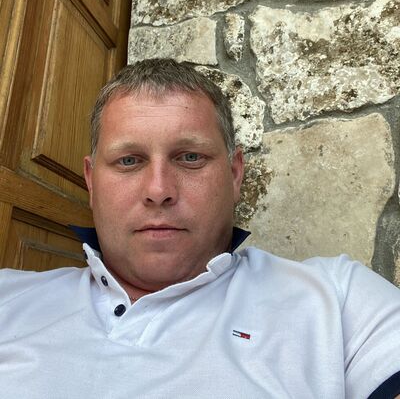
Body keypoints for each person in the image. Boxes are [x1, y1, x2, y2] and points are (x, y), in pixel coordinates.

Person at [1, 58, 400, 399]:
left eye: (190, 157)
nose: (158, 190)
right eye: (129, 161)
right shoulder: (8, 298)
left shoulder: (339, 302)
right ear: (91, 181)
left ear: (235, 174)